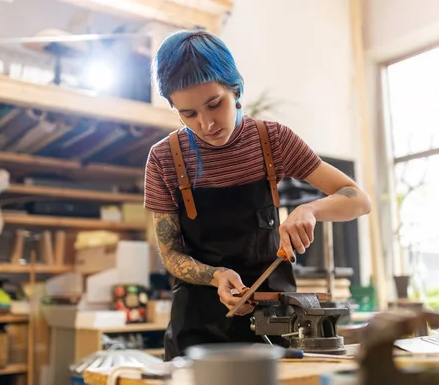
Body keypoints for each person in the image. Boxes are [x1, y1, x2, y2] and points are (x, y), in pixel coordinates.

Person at [143, 29, 371, 361]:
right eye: (189, 114)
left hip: (276, 325)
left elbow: (358, 199)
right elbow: (171, 256)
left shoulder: (273, 140)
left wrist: (311, 210)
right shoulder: (164, 158)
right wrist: (216, 276)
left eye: (214, 104)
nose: (206, 124)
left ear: (235, 89)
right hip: (197, 330)